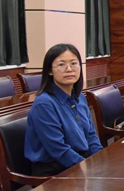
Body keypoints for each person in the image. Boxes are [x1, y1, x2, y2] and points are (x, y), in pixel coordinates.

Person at [25, 43, 103, 176]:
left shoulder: (80, 97)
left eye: (74, 63)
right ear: (50, 71)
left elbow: (91, 136)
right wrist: (89, 168)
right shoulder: (44, 104)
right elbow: (58, 149)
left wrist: (101, 159)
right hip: (55, 169)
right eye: (61, 65)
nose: (69, 69)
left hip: (79, 161)